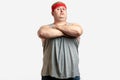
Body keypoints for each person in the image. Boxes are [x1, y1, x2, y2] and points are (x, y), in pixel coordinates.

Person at [37, 1, 83, 80]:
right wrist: (68, 33)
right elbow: (42, 33)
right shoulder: (45, 27)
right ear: (52, 13)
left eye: (63, 9)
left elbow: (77, 31)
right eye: (58, 9)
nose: (61, 11)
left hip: (72, 74)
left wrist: (56, 28)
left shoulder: (75, 26)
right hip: (49, 74)